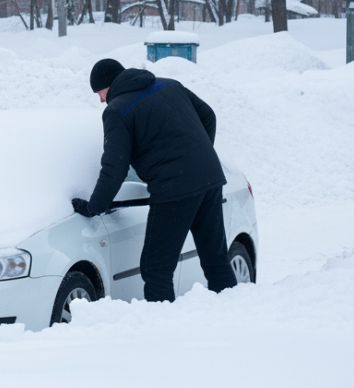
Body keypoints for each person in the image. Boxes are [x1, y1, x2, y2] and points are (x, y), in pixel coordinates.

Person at [71, 59, 237, 302]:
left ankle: (162, 324)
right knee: (216, 261)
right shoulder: (170, 85)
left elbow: (114, 166)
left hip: (174, 189)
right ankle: (234, 315)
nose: (101, 100)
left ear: (107, 85)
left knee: (156, 268)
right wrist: (197, 157)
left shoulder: (117, 110)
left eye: (99, 93)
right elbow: (208, 116)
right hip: (209, 178)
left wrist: (94, 206)